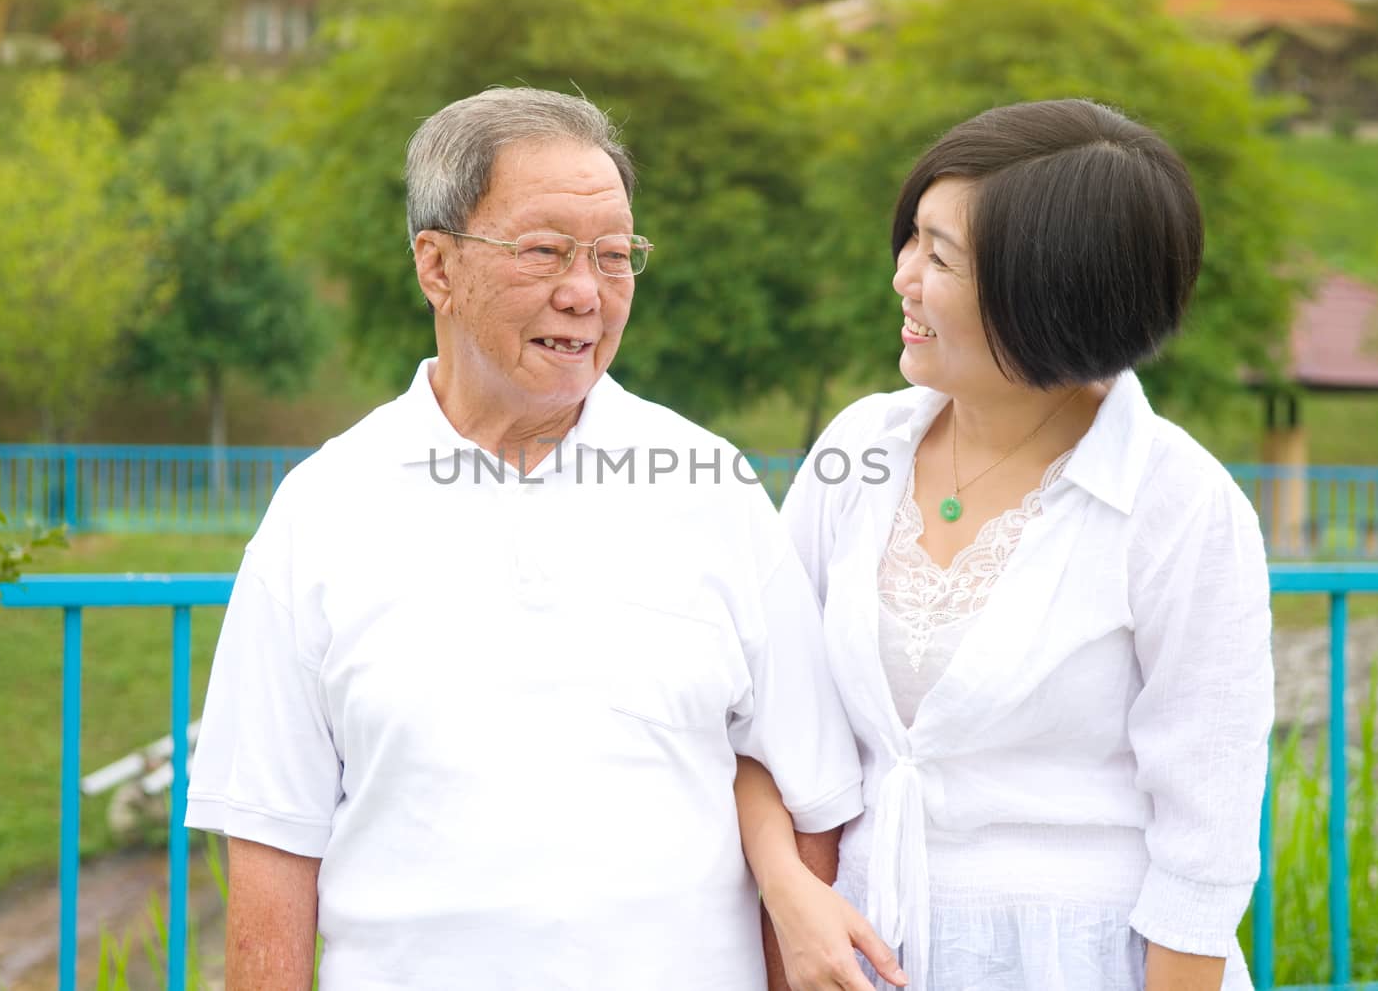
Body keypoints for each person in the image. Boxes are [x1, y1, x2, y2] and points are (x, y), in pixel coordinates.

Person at [183, 87, 878, 990]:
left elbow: (810, 798)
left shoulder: (712, 489)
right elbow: (273, 842)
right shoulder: (322, 512)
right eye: (544, 250)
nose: (585, 292)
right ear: (436, 266)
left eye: (615, 256)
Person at [754, 99, 1275, 990]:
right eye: (911, 239)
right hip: (860, 952)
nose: (903, 279)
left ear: (1050, 291)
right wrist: (789, 896)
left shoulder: (1177, 505)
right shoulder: (859, 451)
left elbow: (1206, 850)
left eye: (942, 256)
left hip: (1079, 961)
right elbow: (762, 712)